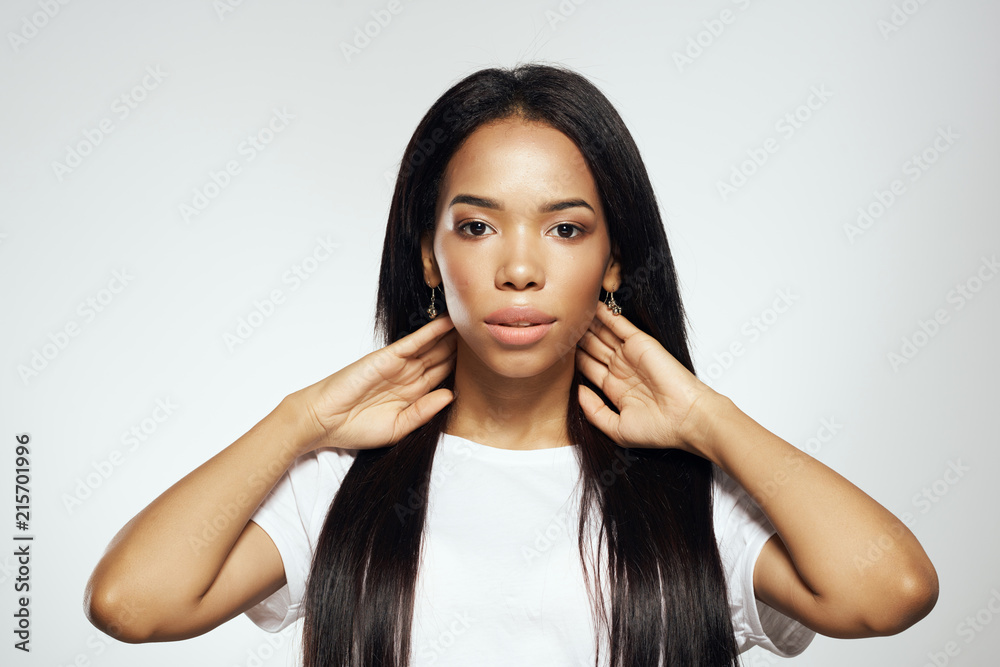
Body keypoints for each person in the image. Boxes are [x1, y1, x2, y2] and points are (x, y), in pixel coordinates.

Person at [84, 63, 938, 666]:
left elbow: (892, 587)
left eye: (565, 228)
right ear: (428, 254)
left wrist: (708, 420)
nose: (520, 268)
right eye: (477, 225)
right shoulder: (344, 484)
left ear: (612, 261)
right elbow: (131, 602)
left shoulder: (687, 493)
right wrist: (298, 420)